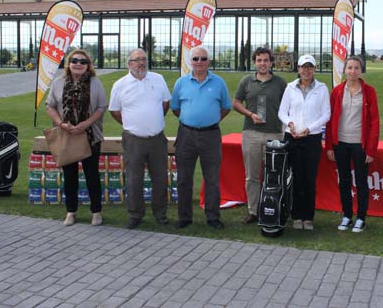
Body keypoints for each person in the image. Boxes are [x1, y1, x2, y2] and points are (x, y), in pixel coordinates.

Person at [109, 48, 171, 229]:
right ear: (129, 64)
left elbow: (165, 103)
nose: (141, 63)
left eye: (144, 59)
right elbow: (114, 110)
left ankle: (160, 214)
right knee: (134, 179)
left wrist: (154, 121)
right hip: (133, 140)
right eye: (137, 60)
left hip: (157, 139)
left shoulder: (158, 79)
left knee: (160, 178)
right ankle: (135, 214)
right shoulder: (120, 84)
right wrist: (131, 123)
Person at [171, 46, 232, 229]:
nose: (199, 62)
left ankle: (213, 217)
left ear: (209, 61)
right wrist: (192, 120)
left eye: (203, 59)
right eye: (196, 59)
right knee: (183, 179)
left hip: (211, 135)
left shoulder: (219, 83)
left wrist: (209, 120)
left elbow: (226, 107)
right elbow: (175, 108)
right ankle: (184, 217)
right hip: (186, 135)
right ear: (190, 61)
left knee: (212, 179)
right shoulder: (181, 83)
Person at [46, 49, 107, 227]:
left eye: (83, 61)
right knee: (69, 176)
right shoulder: (58, 83)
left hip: (90, 136)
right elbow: (49, 106)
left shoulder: (95, 83)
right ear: (68, 63)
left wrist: (86, 124)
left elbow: (102, 107)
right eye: (74, 60)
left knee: (92, 175)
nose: (78, 64)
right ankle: (71, 211)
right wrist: (60, 123)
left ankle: (96, 212)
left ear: (88, 65)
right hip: (67, 136)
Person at [233, 46, 287, 224]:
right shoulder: (246, 81)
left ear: (271, 62)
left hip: (275, 134)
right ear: (254, 62)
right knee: (252, 175)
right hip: (252, 133)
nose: (262, 64)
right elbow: (236, 102)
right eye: (259, 60)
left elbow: (289, 106)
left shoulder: (280, 83)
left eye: (266, 60)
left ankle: (275, 207)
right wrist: (250, 114)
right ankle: (254, 211)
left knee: (274, 174)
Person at [325, 56, 380, 233]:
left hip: (360, 145)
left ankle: (361, 217)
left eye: (356, 68)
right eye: (349, 68)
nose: (353, 71)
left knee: (362, 182)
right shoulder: (337, 91)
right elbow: (329, 119)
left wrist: (371, 149)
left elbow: (374, 123)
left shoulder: (369, 92)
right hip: (340, 143)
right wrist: (329, 146)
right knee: (344, 181)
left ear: (361, 70)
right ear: (344, 70)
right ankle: (347, 215)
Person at [278, 54, 330, 230]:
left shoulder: (322, 88)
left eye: (310, 67)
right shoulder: (290, 87)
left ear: (314, 69)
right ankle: (296, 216)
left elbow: (326, 114)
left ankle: (308, 217)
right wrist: (290, 124)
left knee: (309, 178)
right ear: (298, 69)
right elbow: (282, 112)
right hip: (291, 137)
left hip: (312, 138)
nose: (306, 70)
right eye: (303, 67)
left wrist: (309, 129)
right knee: (295, 177)